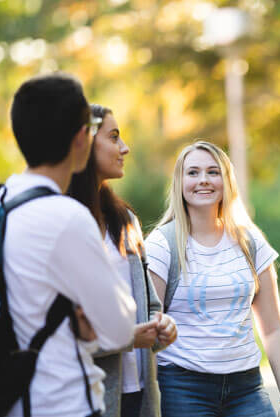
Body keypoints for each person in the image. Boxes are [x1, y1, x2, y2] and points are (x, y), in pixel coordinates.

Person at [4, 73, 137, 417]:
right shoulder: (68, 217)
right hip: (62, 403)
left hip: (10, 400)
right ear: (81, 138)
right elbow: (121, 326)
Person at [145, 140, 280, 417]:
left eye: (213, 172)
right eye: (192, 172)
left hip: (247, 388)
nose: (203, 180)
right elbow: (148, 330)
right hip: (182, 388)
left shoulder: (249, 241)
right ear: (179, 182)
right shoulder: (161, 245)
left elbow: (274, 328)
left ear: (226, 180)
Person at [68, 104, 178, 417]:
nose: (124, 148)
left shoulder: (126, 220)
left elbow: (151, 306)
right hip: (89, 399)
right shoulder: (63, 223)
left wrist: (163, 326)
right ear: (85, 142)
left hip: (139, 396)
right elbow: (59, 330)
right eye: (114, 138)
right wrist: (126, 338)